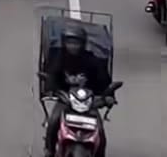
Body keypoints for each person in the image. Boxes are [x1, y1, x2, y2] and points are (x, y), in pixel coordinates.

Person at [42, 23, 114, 157]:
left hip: (88, 102)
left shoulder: (92, 59)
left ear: (83, 44)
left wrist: (108, 95)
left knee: (101, 132)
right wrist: (54, 87)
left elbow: (103, 79)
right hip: (65, 100)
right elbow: (51, 76)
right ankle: (49, 150)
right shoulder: (58, 57)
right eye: (70, 43)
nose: (73, 46)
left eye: (76, 43)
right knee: (53, 121)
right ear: (64, 43)